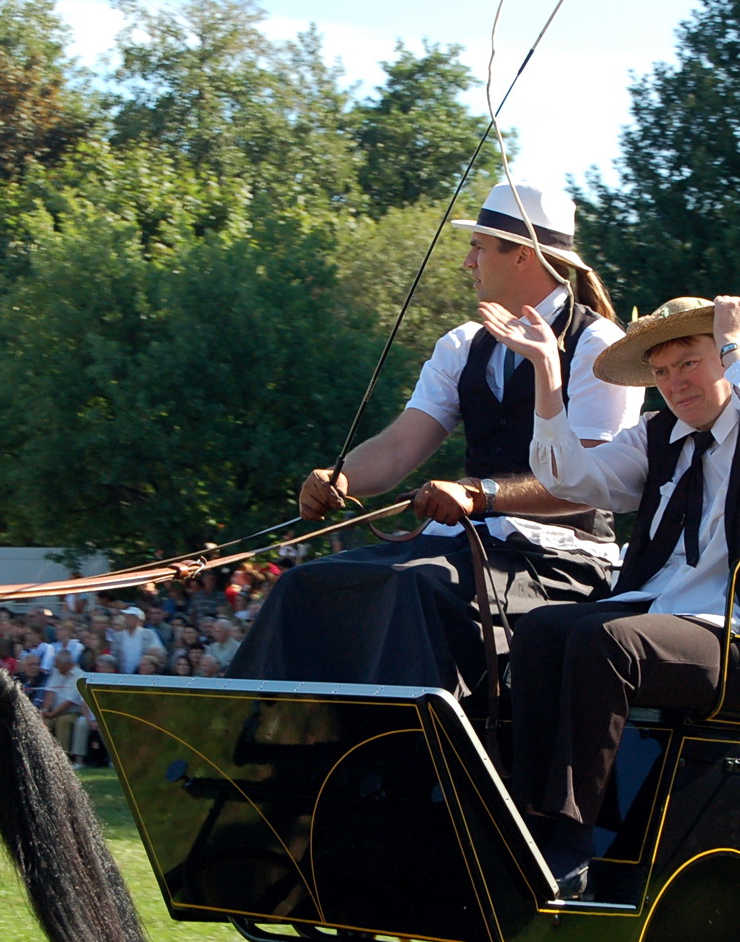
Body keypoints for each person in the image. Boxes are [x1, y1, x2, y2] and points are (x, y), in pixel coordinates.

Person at [495, 294, 740, 897]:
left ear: (729, 355)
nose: (674, 383)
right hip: (671, 616)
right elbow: (570, 478)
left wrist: (738, 346)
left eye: (689, 361)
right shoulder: (660, 436)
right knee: (539, 630)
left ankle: (572, 840)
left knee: (607, 642)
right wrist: (547, 376)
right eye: (661, 372)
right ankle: (528, 824)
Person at [229, 183, 643, 697]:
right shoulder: (462, 345)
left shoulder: (600, 347)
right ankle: (263, 759)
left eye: (479, 248)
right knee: (304, 585)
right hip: (468, 551)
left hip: (561, 558)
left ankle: (414, 763)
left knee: (414, 587)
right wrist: (342, 478)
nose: (468, 263)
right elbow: (399, 447)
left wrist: (479, 494)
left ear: (524, 257)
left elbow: (594, 482)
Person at [42, 649, 93, 767]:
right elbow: (50, 693)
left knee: (63, 721)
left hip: (72, 712)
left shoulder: (79, 676)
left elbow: (70, 701)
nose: (55, 666)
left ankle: (62, 758)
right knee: (44, 723)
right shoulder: (56, 673)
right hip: (54, 712)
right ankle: (45, 756)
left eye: (58, 663)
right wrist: (45, 711)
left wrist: (53, 713)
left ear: (67, 664)